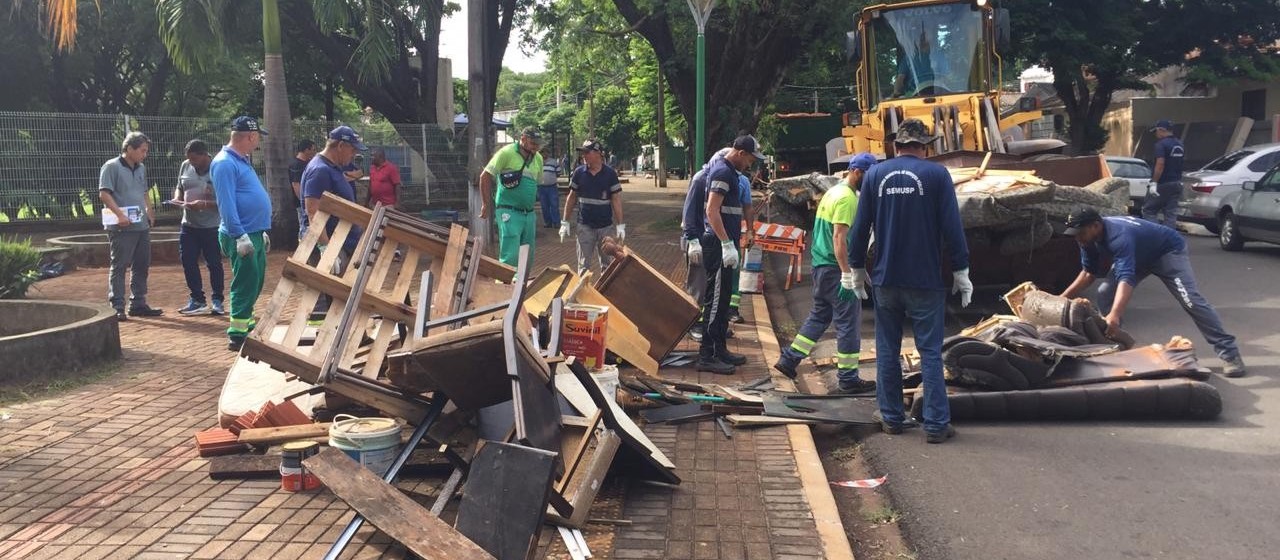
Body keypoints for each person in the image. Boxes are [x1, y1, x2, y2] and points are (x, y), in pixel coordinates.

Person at [849, 118, 971, 444]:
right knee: (930, 353)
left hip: (886, 279)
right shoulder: (936, 175)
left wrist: (857, 268)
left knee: (886, 350)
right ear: (924, 146)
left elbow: (860, 228)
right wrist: (961, 270)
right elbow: (951, 226)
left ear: (896, 144)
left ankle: (891, 419)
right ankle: (935, 426)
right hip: (925, 279)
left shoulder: (874, 174)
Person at [1060, 208, 1245, 377]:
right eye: (1075, 234)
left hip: (1167, 251)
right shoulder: (1086, 239)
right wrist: (1060, 299)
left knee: (1191, 301)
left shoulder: (1119, 236)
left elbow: (1126, 277)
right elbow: (1087, 274)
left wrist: (1114, 314)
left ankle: (1230, 354)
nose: (1078, 238)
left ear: (1095, 226)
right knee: (1105, 292)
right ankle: (1119, 349)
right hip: (1138, 255)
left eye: (1081, 233)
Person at [773, 153, 879, 394]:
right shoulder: (847, 200)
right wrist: (846, 273)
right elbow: (839, 238)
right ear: (858, 172)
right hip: (835, 268)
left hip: (821, 265)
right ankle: (848, 378)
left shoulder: (833, 192)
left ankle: (789, 360)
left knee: (820, 316)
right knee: (848, 323)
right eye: (870, 176)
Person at [697, 136, 765, 374]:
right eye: (750, 159)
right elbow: (711, 210)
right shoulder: (723, 173)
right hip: (717, 244)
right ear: (739, 152)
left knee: (724, 298)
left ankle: (719, 347)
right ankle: (707, 354)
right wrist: (726, 243)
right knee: (715, 301)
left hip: (725, 243)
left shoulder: (732, 175)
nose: (750, 164)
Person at [211, 116, 272, 351]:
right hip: (241, 233)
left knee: (255, 280)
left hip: (253, 231)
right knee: (245, 281)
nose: (257, 143)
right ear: (250, 136)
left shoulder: (241, 160)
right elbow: (226, 203)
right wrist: (239, 235)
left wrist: (259, 231)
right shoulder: (225, 163)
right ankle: (237, 334)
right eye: (257, 138)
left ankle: (246, 324)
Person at [303, 126, 369, 322]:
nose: (354, 154)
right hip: (332, 243)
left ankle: (348, 338)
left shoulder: (333, 168)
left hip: (344, 242)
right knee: (331, 303)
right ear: (340, 145)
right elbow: (312, 211)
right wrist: (326, 248)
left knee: (345, 299)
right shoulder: (320, 170)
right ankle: (328, 345)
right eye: (353, 149)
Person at [99, 131, 162, 320]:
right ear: (129, 148)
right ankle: (117, 306)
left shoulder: (140, 168)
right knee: (119, 266)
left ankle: (138, 303)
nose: (145, 154)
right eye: (142, 150)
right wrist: (119, 215)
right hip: (121, 227)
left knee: (142, 264)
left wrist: (149, 212)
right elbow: (104, 194)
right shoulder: (111, 167)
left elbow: (144, 192)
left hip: (140, 225)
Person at [682, 148, 731, 341]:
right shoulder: (700, 179)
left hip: (710, 241)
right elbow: (689, 212)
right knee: (698, 284)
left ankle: (710, 324)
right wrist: (692, 240)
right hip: (697, 239)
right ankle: (693, 323)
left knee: (711, 286)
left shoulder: (721, 179)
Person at [172, 140, 225, 316]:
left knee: (214, 263)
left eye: (195, 159)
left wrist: (204, 204)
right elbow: (179, 187)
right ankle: (197, 299)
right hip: (189, 225)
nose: (192, 163)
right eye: (189, 159)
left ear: (204, 155)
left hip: (212, 226)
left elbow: (227, 201)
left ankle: (217, 300)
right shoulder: (185, 166)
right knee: (188, 261)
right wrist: (178, 199)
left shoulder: (218, 168)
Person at [479, 127, 544, 266]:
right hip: (509, 211)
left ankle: (522, 284)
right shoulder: (506, 153)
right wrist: (485, 204)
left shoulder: (538, 158)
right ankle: (505, 284)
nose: (536, 147)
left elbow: (537, 183)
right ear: (523, 139)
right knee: (511, 253)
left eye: (538, 144)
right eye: (533, 143)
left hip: (529, 213)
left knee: (528, 253)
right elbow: (485, 176)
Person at [560, 140, 624, 274]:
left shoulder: (610, 174)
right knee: (583, 266)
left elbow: (616, 199)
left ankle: (605, 294)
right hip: (585, 226)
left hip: (605, 227)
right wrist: (564, 222)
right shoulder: (579, 173)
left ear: (598, 154)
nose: (583, 155)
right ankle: (582, 294)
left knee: (608, 266)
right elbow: (572, 197)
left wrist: (620, 224)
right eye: (583, 152)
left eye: (586, 152)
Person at [1142, 119, 1185, 229]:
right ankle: (1169, 239)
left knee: (1149, 211)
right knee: (1170, 214)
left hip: (1163, 183)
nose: (1156, 134)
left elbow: (1160, 163)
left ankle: (1157, 235)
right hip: (1176, 183)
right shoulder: (1179, 144)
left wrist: (1154, 183)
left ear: (1162, 130)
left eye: (1156, 131)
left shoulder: (1161, 145)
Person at [289, 140, 317, 240]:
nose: (314, 152)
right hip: (302, 203)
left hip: (307, 202)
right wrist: (303, 202)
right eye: (312, 150)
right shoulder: (297, 165)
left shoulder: (306, 163)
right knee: (304, 225)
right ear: (306, 150)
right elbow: (296, 185)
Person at [538, 151, 562, 228]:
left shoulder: (553, 162)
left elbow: (558, 173)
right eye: (542, 153)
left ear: (548, 153)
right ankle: (548, 222)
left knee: (554, 205)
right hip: (541, 188)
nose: (544, 154)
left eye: (545, 152)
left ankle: (556, 222)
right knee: (544, 206)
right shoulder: (537, 162)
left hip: (552, 187)